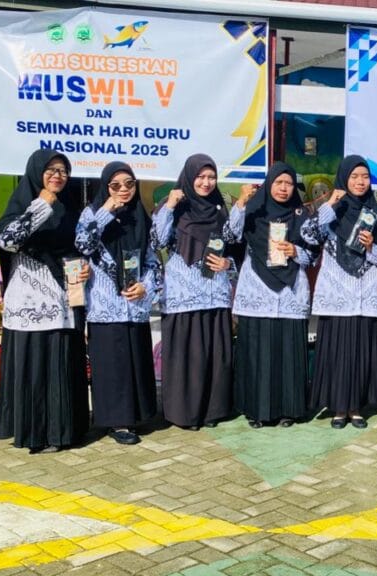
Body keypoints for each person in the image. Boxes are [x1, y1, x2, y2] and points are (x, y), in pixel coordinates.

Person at [0, 149, 90, 453]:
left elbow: (80, 247)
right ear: (36, 172)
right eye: (51, 170)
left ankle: (62, 432)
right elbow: (8, 241)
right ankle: (33, 432)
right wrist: (41, 206)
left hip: (63, 300)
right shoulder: (25, 205)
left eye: (63, 170)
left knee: (60, 365)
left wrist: (84, 266)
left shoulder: (70, 208)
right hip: (29, 302)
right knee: (34, 367)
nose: (58, 176)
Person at [75, 161, 160, 445]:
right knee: (112, 364)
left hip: (135, 305)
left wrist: (145, 286)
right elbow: (83, 245)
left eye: (129, 184)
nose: (123, 190)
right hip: (105, 306)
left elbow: (152, 261)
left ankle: (138, 415)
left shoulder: (140, 216)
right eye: (115, 185)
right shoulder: (91, 213)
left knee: (136, 361)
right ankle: (115, 421)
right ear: (105, 187)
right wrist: (106, 211)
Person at [226, 162, 315, 429]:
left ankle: (290, 409)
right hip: (257, 290)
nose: (284, 188)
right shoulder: (253, 210)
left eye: (289, 183)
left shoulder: (302, 215)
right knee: (257, 353)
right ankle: (257, 410)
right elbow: (231, 235)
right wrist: (241, 202)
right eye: (278, 183)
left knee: (288, 352)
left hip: (290, 292)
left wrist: (296, 251)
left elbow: (313, 253)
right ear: (268, 184)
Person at [302, 155, 377, 430]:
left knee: (361, 352)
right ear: (343, 179)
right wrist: (329, 204)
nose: (360, 182)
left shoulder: (375, 214)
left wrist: (371, 246)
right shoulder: (332, 211)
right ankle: (338, 407)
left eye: (365, 177)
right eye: (354, 177)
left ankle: (356, 407)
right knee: (337, 351)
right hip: (336, 291)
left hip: (364, 292)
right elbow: (308, 235)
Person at [151, 154, 235, 430]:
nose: (206, 183)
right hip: (183, 294)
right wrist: (169, 207)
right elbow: (158, 241)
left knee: (213, 355)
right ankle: (185, 414)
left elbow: (235, 246)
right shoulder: (173, 206)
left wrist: (228, 264)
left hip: (214, 292)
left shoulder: (220, 209)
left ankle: (211, 411)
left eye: (211, 177)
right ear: (189, 177)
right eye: (200, 177)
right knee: (187, 356)